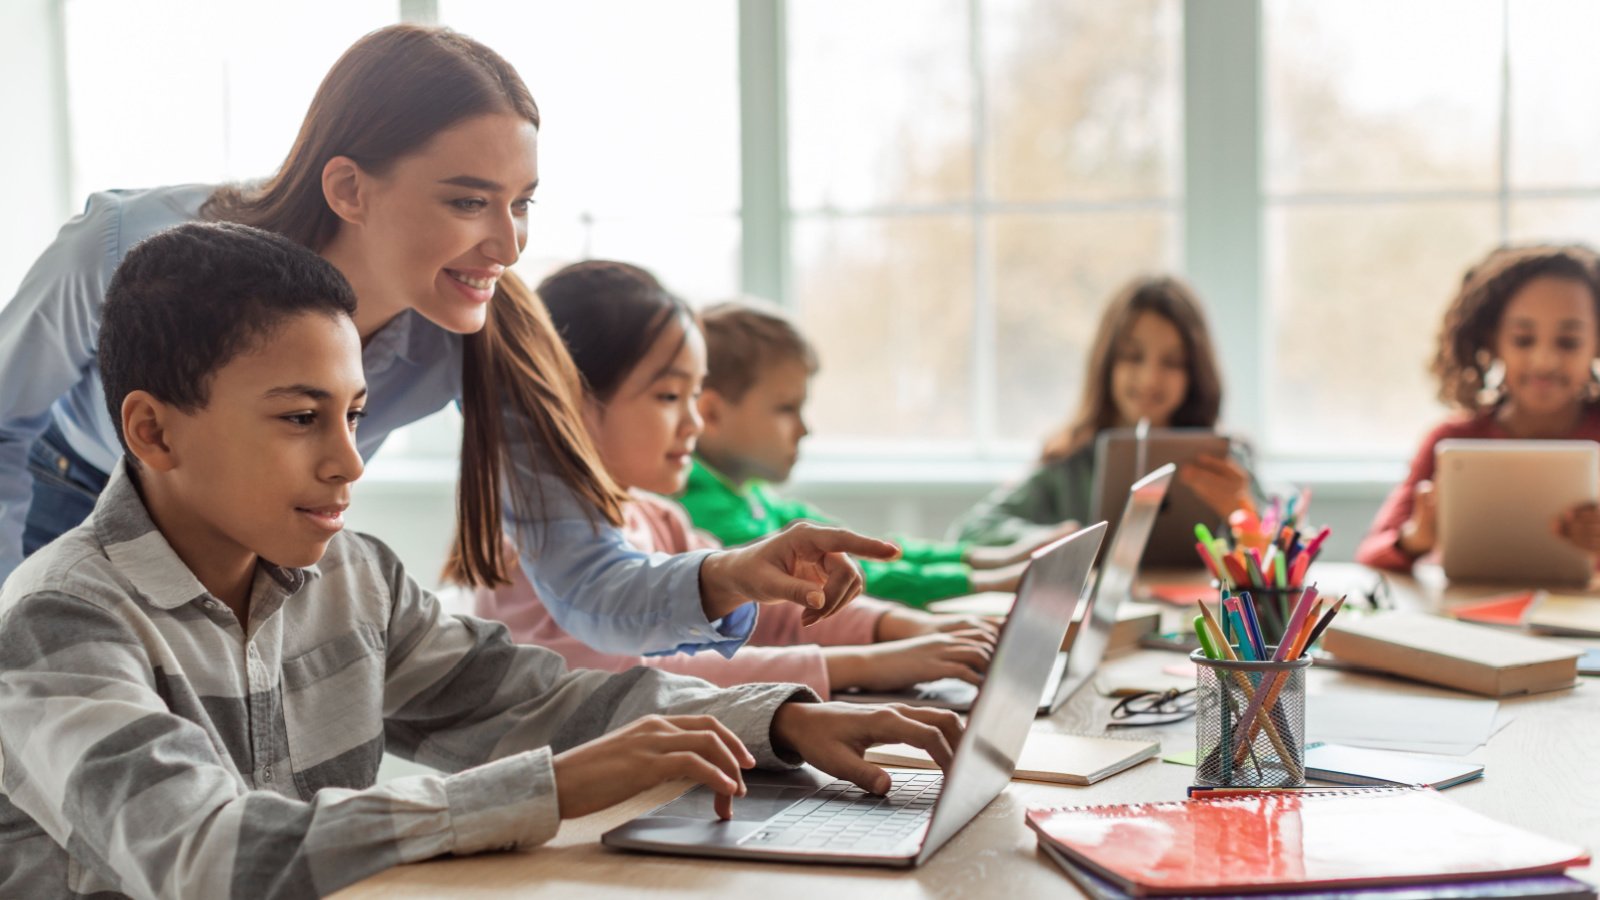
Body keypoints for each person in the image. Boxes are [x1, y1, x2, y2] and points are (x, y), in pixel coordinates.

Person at [0, 222, 963, 900]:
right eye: (301, 418)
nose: (347, 462)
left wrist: (785, 722)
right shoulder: (58, 622)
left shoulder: (352, 577)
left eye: (356, 415)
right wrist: (550, 787)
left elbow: (544, 702)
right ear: (153, 432)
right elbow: (206, 860)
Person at [0, 24, 897, 656]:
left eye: (522, 203)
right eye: (469, 201)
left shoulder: (479, 332)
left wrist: (737, 573)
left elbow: (585, 582)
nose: (508, 247)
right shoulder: (124, 246)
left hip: (251, 538)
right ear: (348, 188)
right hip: (63, 504)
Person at [472, 261, 997, 698]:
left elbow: (771, 614)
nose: (695, 423)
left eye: (695, 397)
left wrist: (913, 631)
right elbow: (639, 683)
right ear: (573, 400)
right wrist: (869, 664)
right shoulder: (535, 551)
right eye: (669, 397)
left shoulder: (662, 519)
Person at [676, 299, 1063, 609]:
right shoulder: (696, 509)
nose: (805, 429)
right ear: (711, 413)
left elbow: (863, 548)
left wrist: (983, 558)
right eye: (786, 409)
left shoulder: (752, 495)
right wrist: (990, 580)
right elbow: (848, 581)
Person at [952, 275, 1255, 546]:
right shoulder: (1069, 461)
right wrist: (1059, 541)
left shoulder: (1224, 461)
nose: (1150, 379)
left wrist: (1244, 515)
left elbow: (1285, 548)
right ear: (1107, 363)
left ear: (1195, 373)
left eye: (1172, 363)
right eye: (1132, 356)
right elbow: (971, 531)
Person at [1355, 244, 1600, 571]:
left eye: (1568, 342)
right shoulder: (1451, 441)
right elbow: (1372, 553)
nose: (1544, 361)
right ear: (1492, 340)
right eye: (1523, 340)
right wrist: (1418, 537)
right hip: (1465, 618)